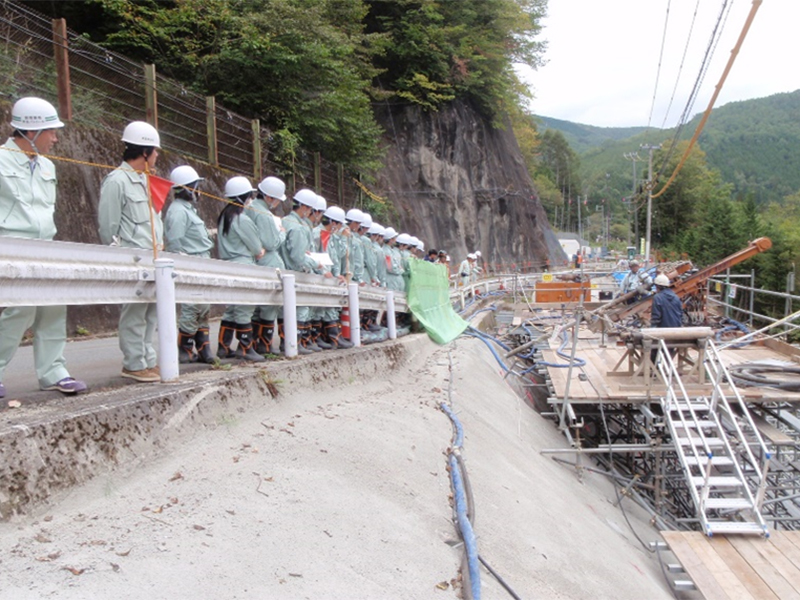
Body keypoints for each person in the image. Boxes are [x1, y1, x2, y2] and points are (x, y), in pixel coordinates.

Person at [0, 97, 87, 398]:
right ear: (32, 132)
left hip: (46, 245)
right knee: (21, 309)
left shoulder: (48, 166)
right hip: (12, 244)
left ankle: (53, 371)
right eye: (51, 131)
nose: (56, 137)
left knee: (53, 305)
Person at [98, 120, 164, 383]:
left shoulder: (145, 180)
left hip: (153, 257)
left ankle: (147, 359)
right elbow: (108, 225)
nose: (157, 155)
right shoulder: (117, 181)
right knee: (135, 312)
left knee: (149, 313)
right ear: (145, 152)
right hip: (133, 258)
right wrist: (118, 258)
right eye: (155, 151)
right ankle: (134, 363)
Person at [164, 165, 215, 364]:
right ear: (186, 188)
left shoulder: (187, 210)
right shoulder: (178, 212)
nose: (198, 191)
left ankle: (203, 348)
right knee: (191, 306)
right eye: (195, 186)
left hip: (201, 263)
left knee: (203, 306)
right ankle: (184, 349)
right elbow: (175, 243)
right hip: (191, 264)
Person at [215, 176, 265, 362]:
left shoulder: (224, 217)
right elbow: (256, 249)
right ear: (245, 197)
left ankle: (223, 346)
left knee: (232, 307)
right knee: (245, 307)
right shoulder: (242, 219)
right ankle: (245, 347)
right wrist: (260, 251)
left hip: (228, 265)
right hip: (245, 266)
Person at [250, 176, 287, 355]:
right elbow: (272, 242)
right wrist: (282, 234)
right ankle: (264, 344)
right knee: (270, 305)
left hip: (259, 262)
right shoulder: (263, 214)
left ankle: (256, 342)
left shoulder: (251, 208)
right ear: (270, 197)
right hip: (268, 263)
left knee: (258, 306)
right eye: (278, 199)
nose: (278, 203)